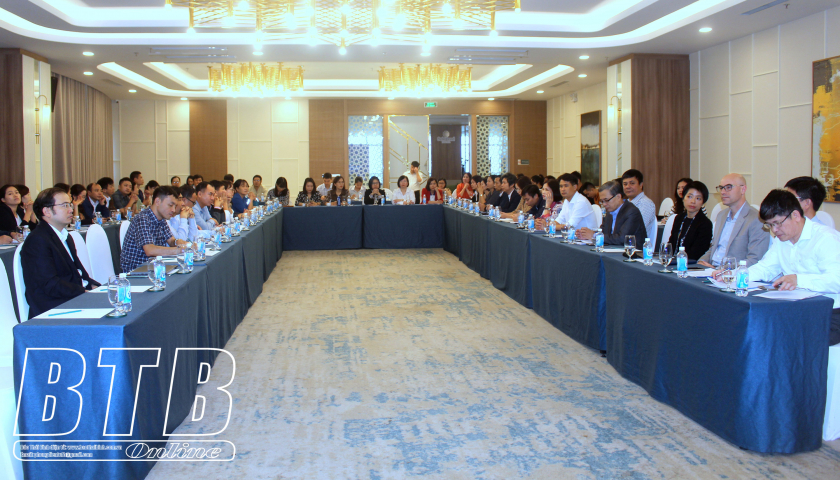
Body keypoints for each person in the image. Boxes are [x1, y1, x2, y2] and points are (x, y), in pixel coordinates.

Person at [719, 189, 840, 344]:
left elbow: (836, 280)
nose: (774, 231)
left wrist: (798, 280)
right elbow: (766, 268)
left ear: (796, 215)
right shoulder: (782, 240)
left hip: (830, 313)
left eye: (777, 223)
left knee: (784, 338)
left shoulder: (826, 239)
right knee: (752, 329)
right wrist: (735, 275)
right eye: (770, 225)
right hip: (796, 308)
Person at [20, 188, 100, 319]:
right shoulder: (37, 240)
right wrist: (84, 292)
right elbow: (49, 284)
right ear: (47, 211)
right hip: (55, 307)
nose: (70, 210)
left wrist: (95, 286)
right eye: (64, 205)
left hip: (74, 297)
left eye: (70, 205)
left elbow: (77, 272)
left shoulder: (65, 236)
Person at [698, 173, 769, 268]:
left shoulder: (756, 219)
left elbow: (755, 259)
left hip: (732, 273)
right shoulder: (721, 215)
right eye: (721, 188)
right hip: (711, 269)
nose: (723, 192)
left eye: (728, 187)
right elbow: (713, 249)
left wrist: (722, 269)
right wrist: (701, 262)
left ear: (743, 189)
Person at [120, 186, 189, 273]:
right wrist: (180, 250)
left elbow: (171, 241)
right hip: (136, 270)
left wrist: (179, 242)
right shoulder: (142, 219)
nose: (173, 210)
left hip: (154, 266)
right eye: (170, 205)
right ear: (157, 201)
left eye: (175, 206)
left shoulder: (162, 219)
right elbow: (150, 250)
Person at [578, 180, 646, 245]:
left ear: (618, 197)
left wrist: (594, 235)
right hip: (613, 249)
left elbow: (622, 238)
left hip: (632, 251)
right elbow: (603, 231)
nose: (604, 204)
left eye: (607, 200)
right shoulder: (610, 211)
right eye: (602, 201)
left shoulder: (631, 212)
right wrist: (586, 234)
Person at [665, 181, 713, 260]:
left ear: (703, 202)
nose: (693, 201)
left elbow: (697, 253)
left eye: (698, 198)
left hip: (690, 264)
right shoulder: (678, 218)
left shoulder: (705, 224)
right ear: (683, 198)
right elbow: (671, 243)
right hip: (673, 261)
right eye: (689, 197)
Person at [622, 169, 657, 243]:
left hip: (636, 245)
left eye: (632, 183)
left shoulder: (645, 203)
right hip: (624, 241)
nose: (628, 186)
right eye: (625, 184)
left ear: (641, 185)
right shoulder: (625, 203)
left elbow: (635, 229)